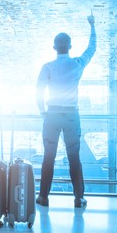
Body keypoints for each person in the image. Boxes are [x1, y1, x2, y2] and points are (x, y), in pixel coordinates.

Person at [35, 12, 96, 208]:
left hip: (51, 115)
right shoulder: (77, 64)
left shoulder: (47, 67)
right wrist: (92, 25)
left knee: (48, 157)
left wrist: (43, 112)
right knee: (74, 158)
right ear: (70, 47)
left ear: (54, 48)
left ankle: (43, 197)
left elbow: (38, 91)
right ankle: (79, 198)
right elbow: (92, 48)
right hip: (71, 116)